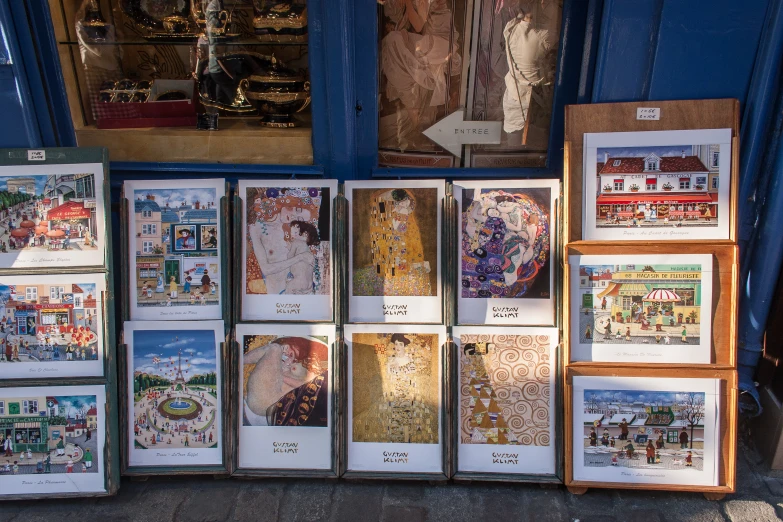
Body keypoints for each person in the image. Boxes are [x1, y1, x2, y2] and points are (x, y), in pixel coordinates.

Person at [244, 336, 329, 427]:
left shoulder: (306, 368)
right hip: (264, 403)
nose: (285, 352)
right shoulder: (280, 362)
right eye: (284, 349)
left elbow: (307, 388)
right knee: (274, 349)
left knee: (274, 349)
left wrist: (285, 373)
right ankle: (240, 359)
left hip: (277, 409)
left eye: (286, 348)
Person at [501, 8, 552, 144]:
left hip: (515, 100)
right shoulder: (541, 35)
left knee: (515, 145)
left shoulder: (512, 27)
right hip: (528, 106)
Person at [284, 220, 319, 295]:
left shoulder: (297, 242)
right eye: (292, 232)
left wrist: (290, 249)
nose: (292, 235)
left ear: (305, 234)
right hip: (309, 285)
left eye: (295, 233)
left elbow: (289, 258)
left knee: (288, 291)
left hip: (299, 281)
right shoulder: (307, 250)